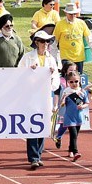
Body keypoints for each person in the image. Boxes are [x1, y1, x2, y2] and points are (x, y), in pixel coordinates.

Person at [18, 30, 60, 169]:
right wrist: (29, 71)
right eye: (42, 41)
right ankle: (33, 156)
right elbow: (19, 75)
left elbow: (56, 81)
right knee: (32, 125)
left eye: (47, 41)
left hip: (45, 96)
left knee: (43, 125)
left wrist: (51, 81)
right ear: (36, 42)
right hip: (31, 97)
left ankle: (38, 154)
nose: (45, 44)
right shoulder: (27, 57)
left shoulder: (51, 59)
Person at [60, 70, 89, 162]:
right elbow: (62, 104)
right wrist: (63, 101)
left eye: (76, 81)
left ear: (79, 81)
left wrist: (82, 106)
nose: (74, 83)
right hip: (69, 117)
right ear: (68, 82)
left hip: (78, 116)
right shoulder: (67, 92)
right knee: (74, 134)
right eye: (71, 82)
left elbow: (86, 103)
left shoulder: (81, 92)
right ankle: (76, 152)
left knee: (75, 135)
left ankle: (70, 149)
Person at [53, 3, 91, 73]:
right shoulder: (60, 24)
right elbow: (54, 41)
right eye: (70, 14)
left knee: (78, 78)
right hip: (66, 57)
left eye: (74, 14)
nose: (73, 16)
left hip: (79, 57)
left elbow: (89, 38)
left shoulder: (82, 23)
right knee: (67, 79)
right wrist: (54, 58)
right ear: (66, 13)